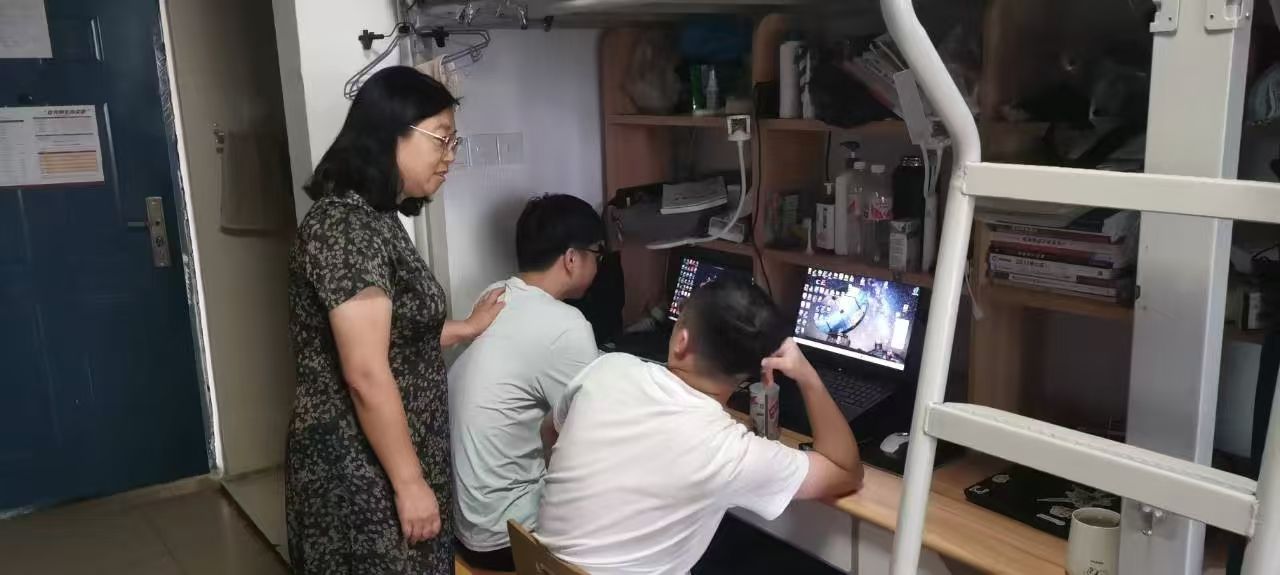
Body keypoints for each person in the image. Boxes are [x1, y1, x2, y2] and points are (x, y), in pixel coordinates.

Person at [286, 66, 503, 574]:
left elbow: (392, 333)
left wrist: (464, 328)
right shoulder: (344, 226)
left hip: (393, 455)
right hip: (359, 467)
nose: (450, 156)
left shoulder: (376, 216)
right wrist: (409, 483)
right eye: (442, 139)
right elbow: (365, 372)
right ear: (390, 134)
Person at [537, 278, 864, 574]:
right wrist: (806, 375)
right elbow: (845, 470)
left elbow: (549, 430)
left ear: (681, 340)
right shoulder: (729, 451)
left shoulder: (607, 369)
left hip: (538, 566)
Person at [448, 194, 604, 572]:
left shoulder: (496, 294)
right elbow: (596, 433)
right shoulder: (567, 326)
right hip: (505, 535)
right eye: (598, 254)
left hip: (465, 521)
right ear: (571, 258)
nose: (600, 265)